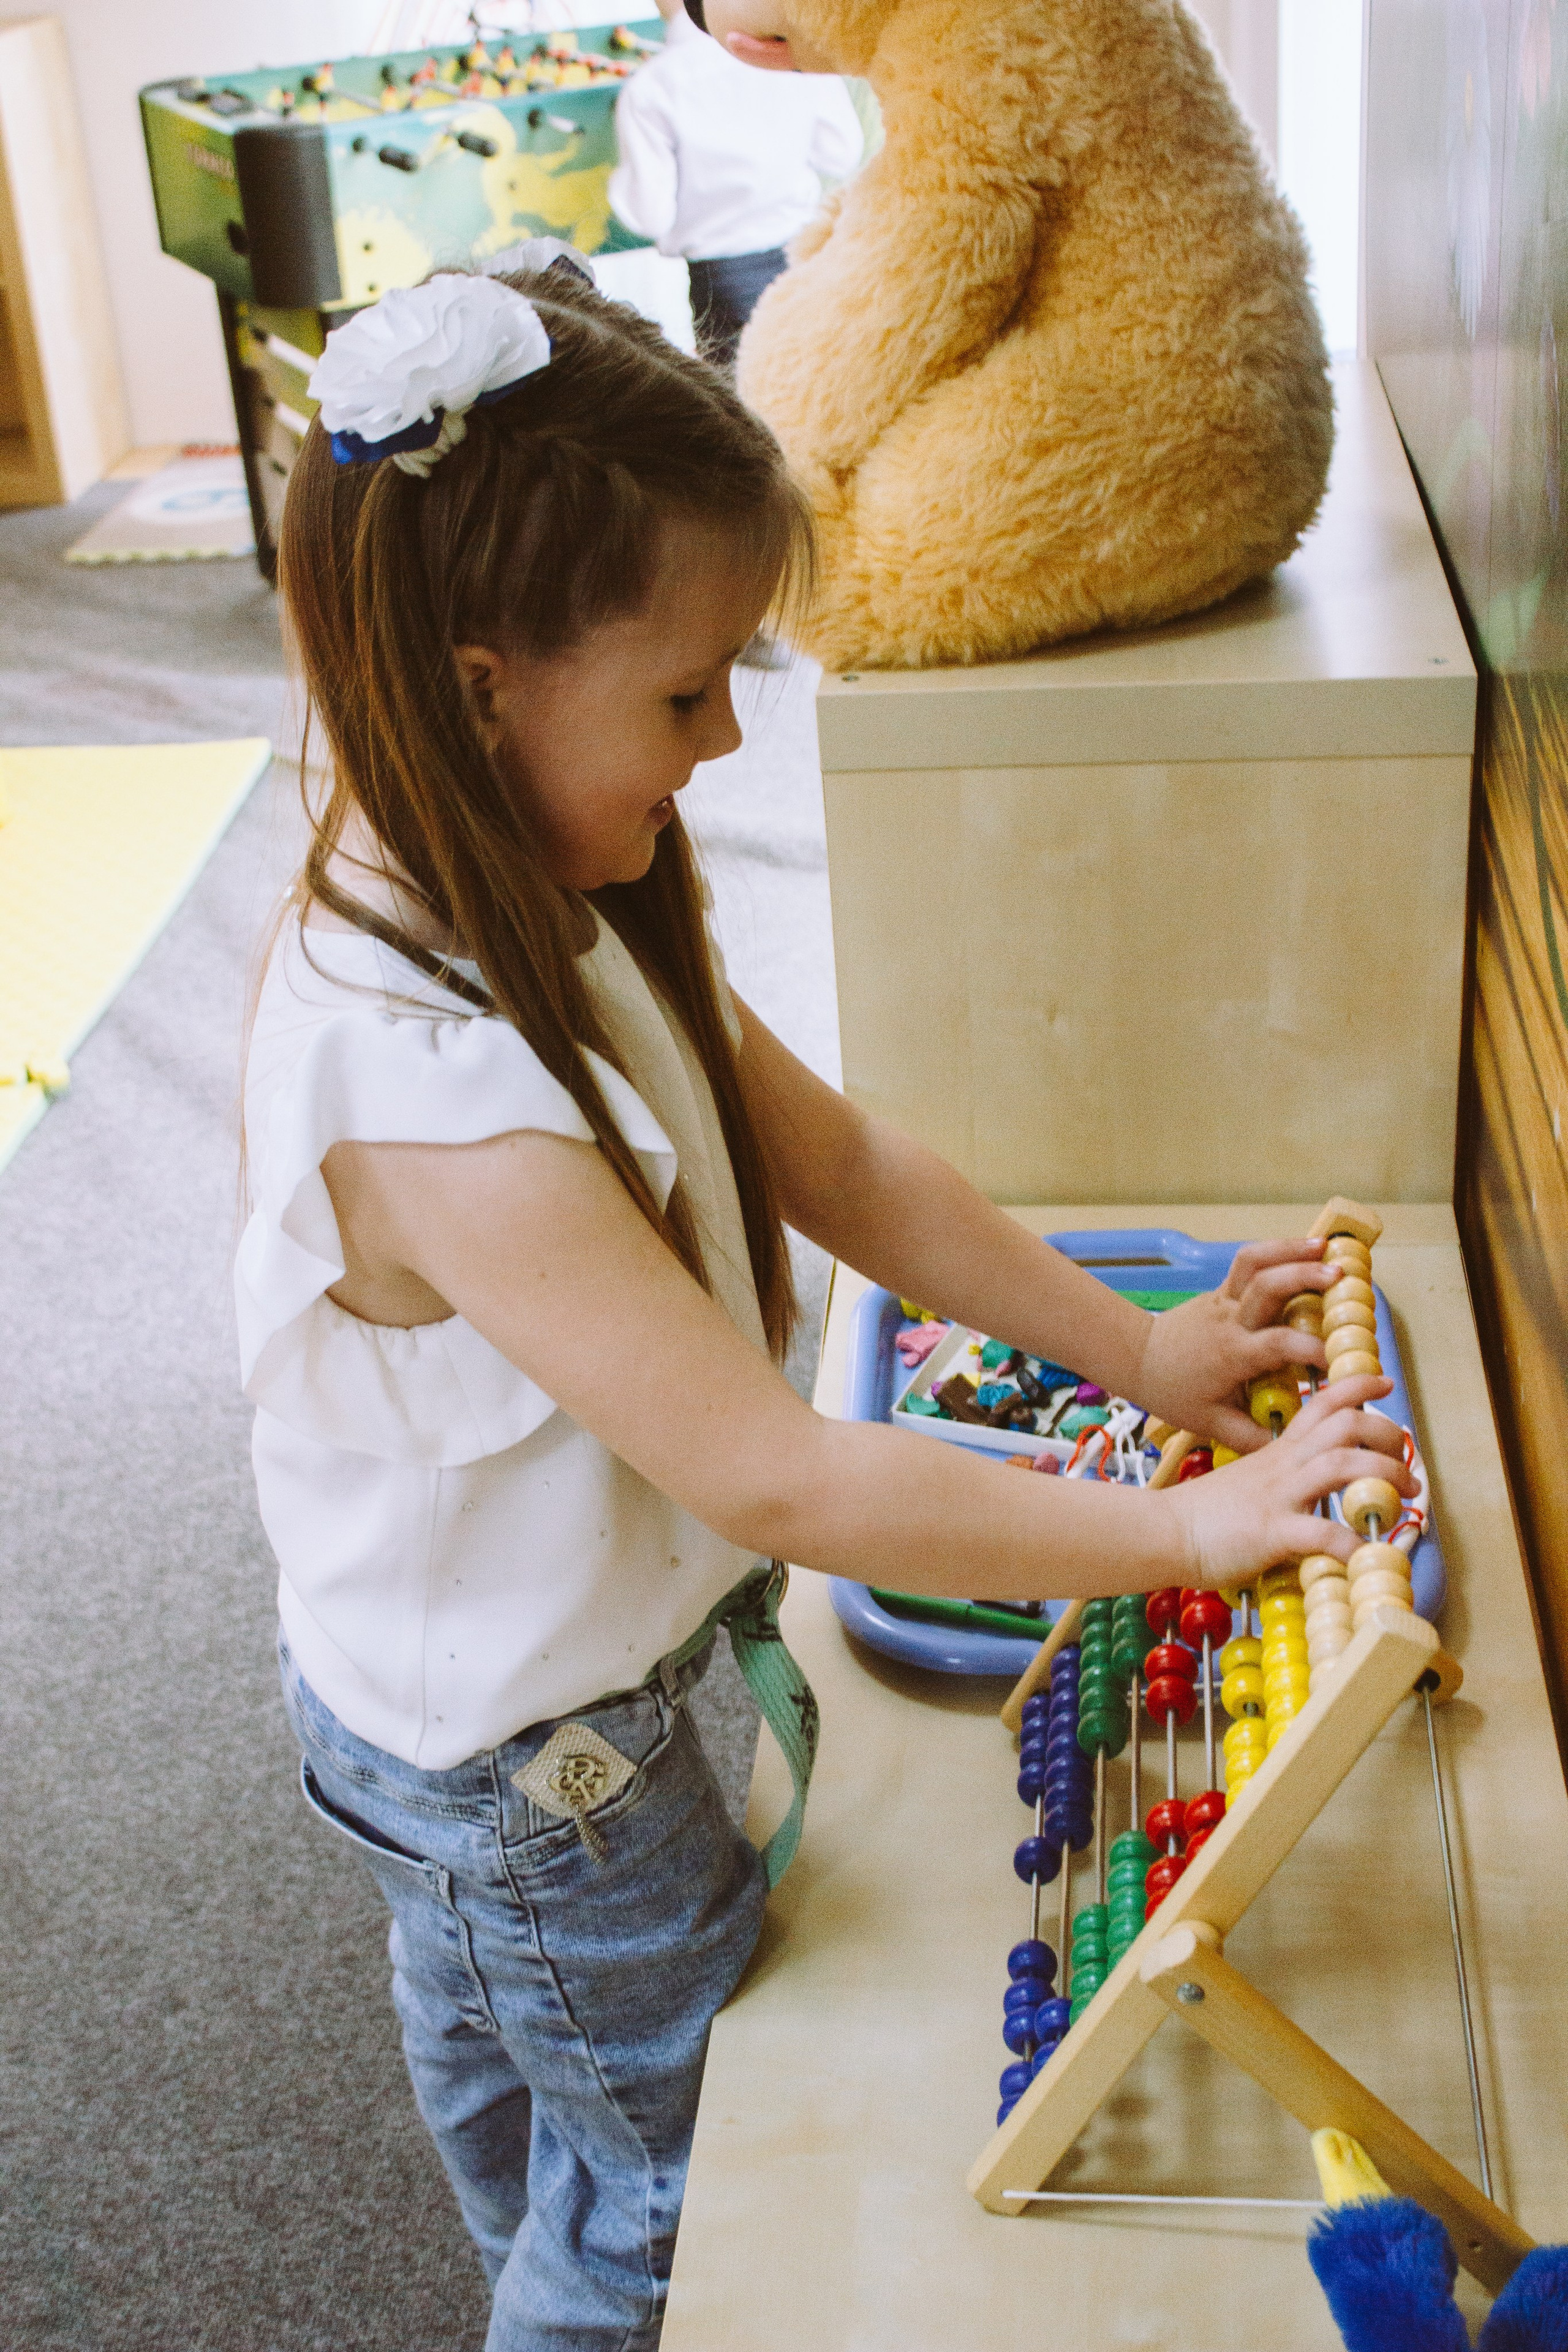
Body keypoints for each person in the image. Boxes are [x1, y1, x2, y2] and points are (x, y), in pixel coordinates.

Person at [241, 260, 1412, 2352]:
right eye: (688, 695)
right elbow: (775, 1473)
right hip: (536, 1776)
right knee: (668, 2211)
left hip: (461, 1716)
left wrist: (1138, 1355)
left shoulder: (547, 884)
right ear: (490, 680)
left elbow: (847, 1168)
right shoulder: (425, 1079)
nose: (724, 741)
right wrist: (1182, 1529)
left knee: (543, 2113)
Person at [608, 0, 863, 370]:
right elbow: (841, 153)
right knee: (815, 393)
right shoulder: (789, 54)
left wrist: (617, 180)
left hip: (721, 281)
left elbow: (650, 217)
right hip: (803, 257)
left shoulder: (651, 88)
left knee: (743, 417)